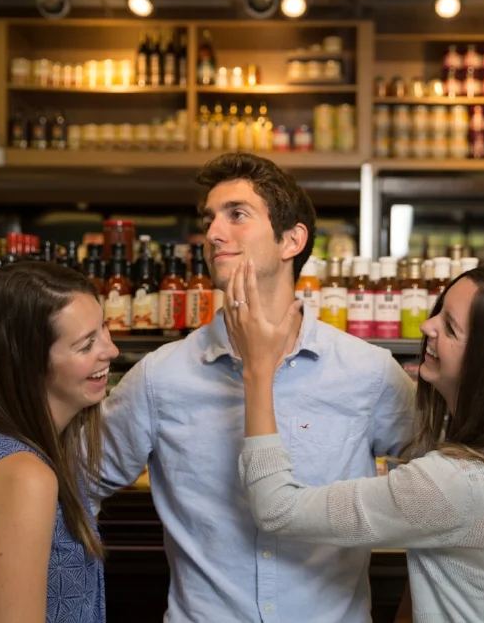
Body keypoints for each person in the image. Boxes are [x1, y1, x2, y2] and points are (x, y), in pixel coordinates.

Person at [96, 152, 416, 622]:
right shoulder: (160, 377)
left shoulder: (368, 372)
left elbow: (447, 492)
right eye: (209, 219)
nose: (213, 233)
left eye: (237, 215)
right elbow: (76, 483)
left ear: (292, 240)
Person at [229, 261, 484, 623]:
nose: (427, 327)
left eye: (450, 328)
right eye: (438, 311)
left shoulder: (447, 486)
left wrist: (258, 370)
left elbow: (278, 509)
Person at [0, 262, 118, 623]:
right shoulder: (25, 477)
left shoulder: (22, 452)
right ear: (29, 364)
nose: (110, 350)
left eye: (104, 328)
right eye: (86, 344)